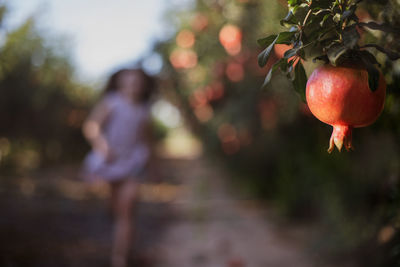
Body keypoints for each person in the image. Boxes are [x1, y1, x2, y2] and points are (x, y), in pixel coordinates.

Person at [81, 68, 154, 267]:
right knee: (116, 209)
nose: (134, 85)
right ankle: (120, 234)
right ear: (121, 83)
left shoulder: (143, 110)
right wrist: (103, 146)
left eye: (137, 82)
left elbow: (144, 139)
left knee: (127, 210)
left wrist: (151, 163)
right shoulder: (111, 102)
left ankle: (119, 259)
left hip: (133, 163)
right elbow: (91, 126)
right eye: (129, 81)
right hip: (111, 162)